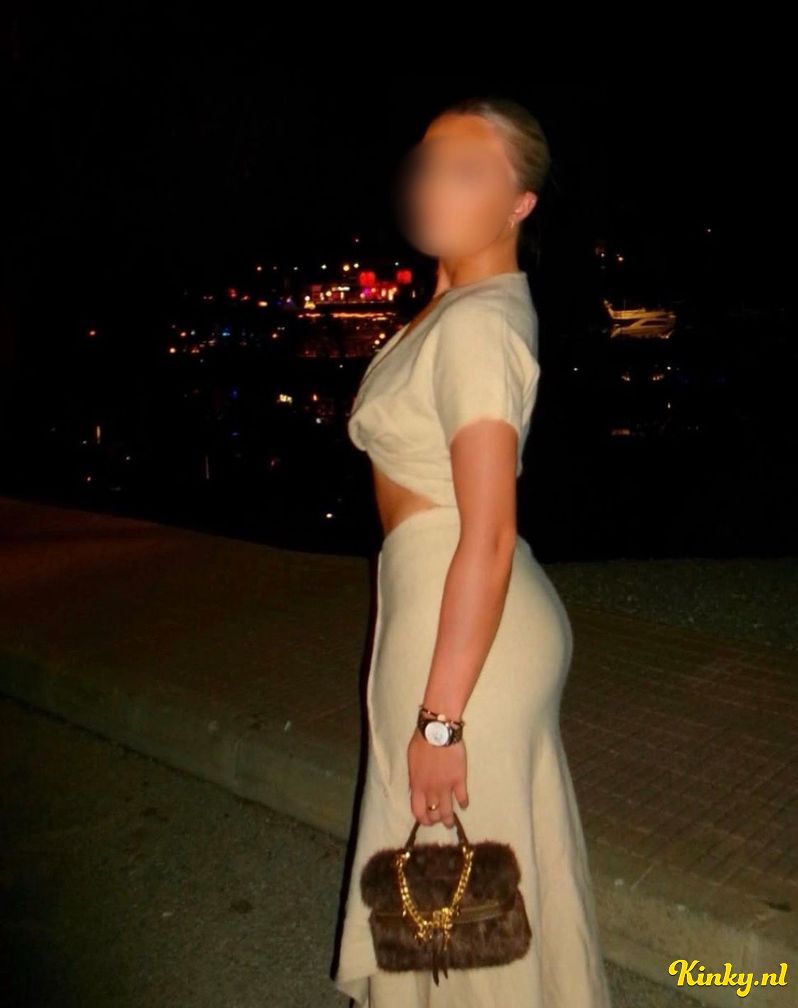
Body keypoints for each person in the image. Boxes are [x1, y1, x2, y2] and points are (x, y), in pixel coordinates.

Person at [333, 96, 613, 1007]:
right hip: (449, 605)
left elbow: (487, 531)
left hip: (465, 627)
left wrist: (440, 721)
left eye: (467, 172)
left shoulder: (478, 326)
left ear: (519, 203)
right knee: (475, 896)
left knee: (464, 919)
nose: (434, 186)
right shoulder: (458, 309)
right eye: (429, 165)